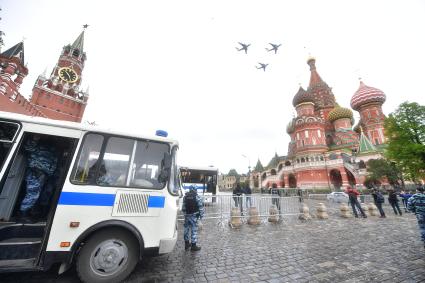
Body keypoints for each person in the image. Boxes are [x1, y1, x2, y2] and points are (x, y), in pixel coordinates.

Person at [19, 135, 58, 219]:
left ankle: (29, 213)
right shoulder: (38, 145)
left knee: (37, 194)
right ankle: (23, 215)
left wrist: (49, 174)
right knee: (32, 193)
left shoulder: (54, 150)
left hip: (44, 174)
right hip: (35, 171)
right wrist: (34, 139)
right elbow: (28, 148)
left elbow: (54, 163)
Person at [182, 186, 204, 251]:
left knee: (186, 230)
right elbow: (201, 208)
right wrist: (201, 217)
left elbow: (183, 208)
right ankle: (193, 245)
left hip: (187, 216)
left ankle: (186, 244)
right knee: (194, 230)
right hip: (194, 216)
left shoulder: (185, 197)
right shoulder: (197, 197)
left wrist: (185, 214)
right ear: (195, 190)